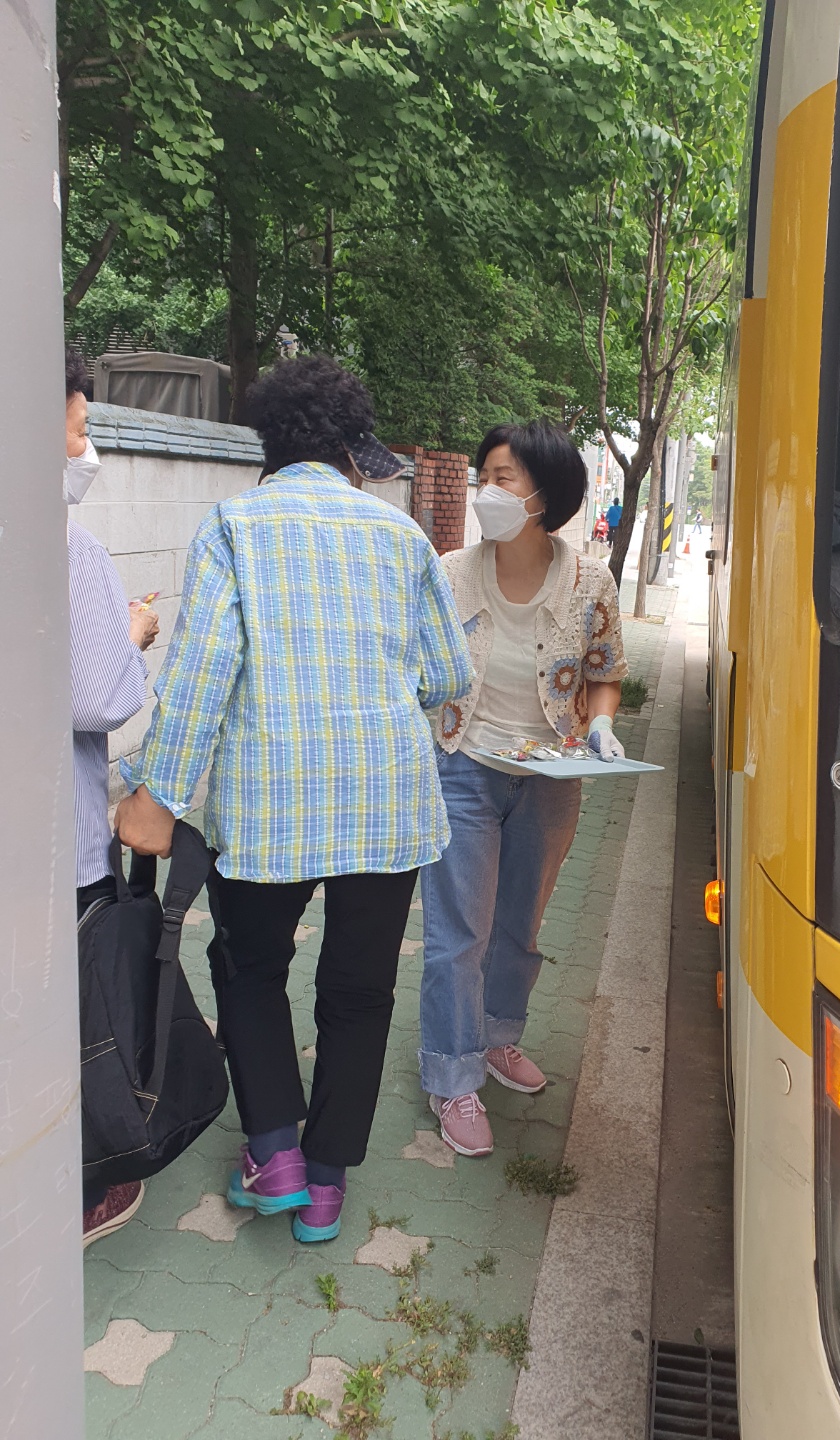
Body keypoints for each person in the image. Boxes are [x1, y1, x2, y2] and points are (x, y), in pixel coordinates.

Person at [115, 356, 473, 1243]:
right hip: (387, 806)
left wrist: (158, 795)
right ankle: (325, 1185)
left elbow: (202, 675)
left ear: (266, 444)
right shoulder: (402, 537)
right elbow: (447, 673)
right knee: (360, 989)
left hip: (268, 803)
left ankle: (273, 1148)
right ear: (354, 451)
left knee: (250, 966)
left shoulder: (234, 526)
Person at [421, 420, 629, 1156]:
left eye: (503, 478)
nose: (487, 490)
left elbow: (605, 672)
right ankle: (451, 1074)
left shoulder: (589, 582)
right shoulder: (448, 573)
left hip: (549, 777)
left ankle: (496, 1037)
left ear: (546, 493)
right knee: (459, 933)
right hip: (463, 768)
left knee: (520, 925)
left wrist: (601, 726)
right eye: (484, 475)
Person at [64, 349, 160, 1246]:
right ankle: (100, 1178)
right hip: (58, 843)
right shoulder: (69, 547)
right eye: (83, 426)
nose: (85, 449)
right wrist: (131, 634)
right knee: (80, 1015)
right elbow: (99, 697)